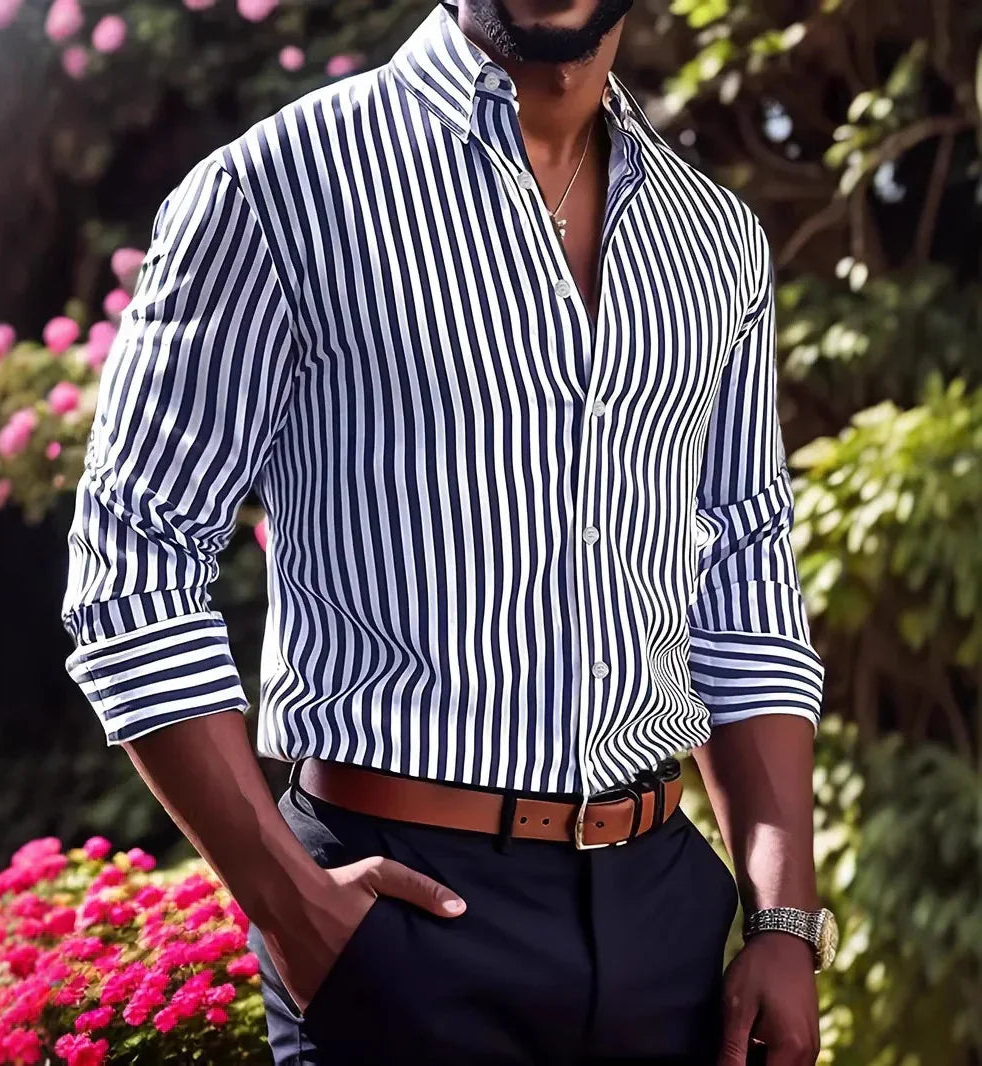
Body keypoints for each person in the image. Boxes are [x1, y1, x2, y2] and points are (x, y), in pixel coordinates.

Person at [61, 0, 837, 1062]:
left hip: (662, 911)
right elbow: (134, 556)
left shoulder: (714, 239)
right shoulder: (278, 189)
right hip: (400, 917)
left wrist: (783, 920)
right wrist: (291, 905)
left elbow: (743, 566)